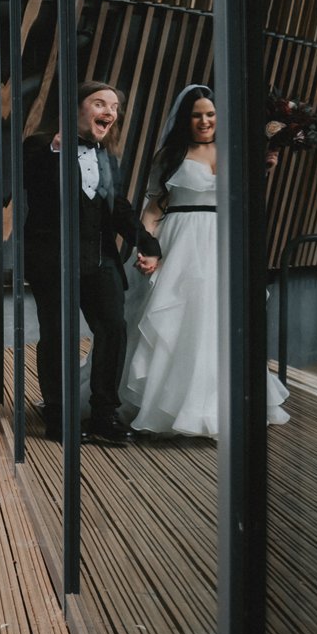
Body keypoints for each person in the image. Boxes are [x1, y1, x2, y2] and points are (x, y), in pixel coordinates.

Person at [121, 84, 291, 436]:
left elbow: (242, 201)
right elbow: (154, 206)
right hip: (180, 242)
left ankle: (217, 407)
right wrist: (146, 247)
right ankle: (165, 407)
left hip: (223, 243)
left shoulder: (235, 152)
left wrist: (264, 169)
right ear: (186, 118)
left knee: (220, 322)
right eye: (197, 115)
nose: (204, 121)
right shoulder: (170, 155)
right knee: (179, 318)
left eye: (210, 114)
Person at [22, 81, 144, 444]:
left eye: (114, 107)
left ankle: (105, 413)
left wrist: (147, 243)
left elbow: (118, 208)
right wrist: (56, 149)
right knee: (57, 335)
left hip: (100, 258)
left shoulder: (107, 157)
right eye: (100, 103)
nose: (109, 112)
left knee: (113, 328)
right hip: (52, 260)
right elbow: (27, 181)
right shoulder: (39, 146)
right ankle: (58, 415)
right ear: (74, 108)